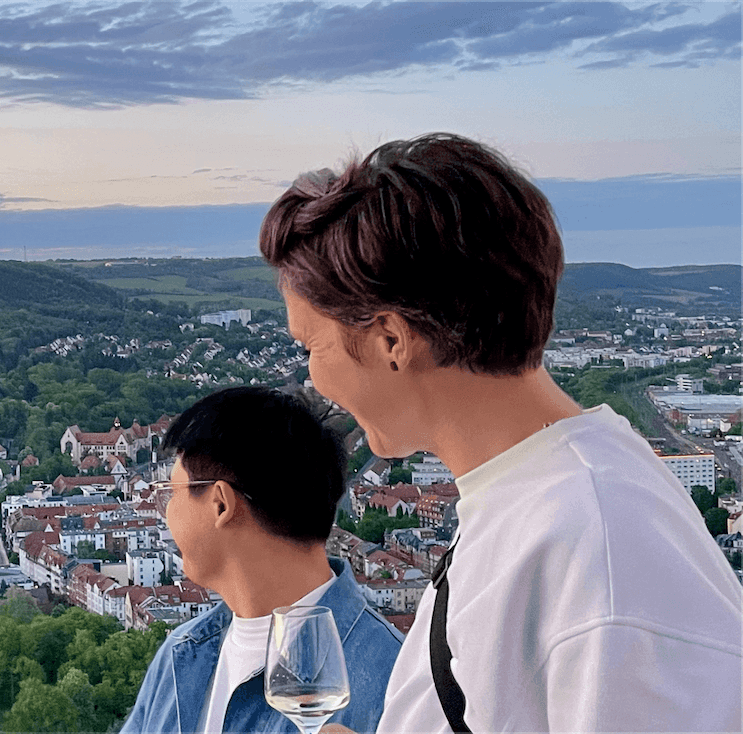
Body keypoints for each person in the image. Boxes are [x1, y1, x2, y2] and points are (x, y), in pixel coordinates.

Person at [260, 132, 742, 733]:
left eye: (310, 346)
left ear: (391, 340)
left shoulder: (596, 545)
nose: (311, 377)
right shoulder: (545, 498)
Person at [121, 386, 403, 734]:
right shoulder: (180, 654)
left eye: (171, 494)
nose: (166, 515)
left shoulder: (399, 681)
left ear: (220, 505)